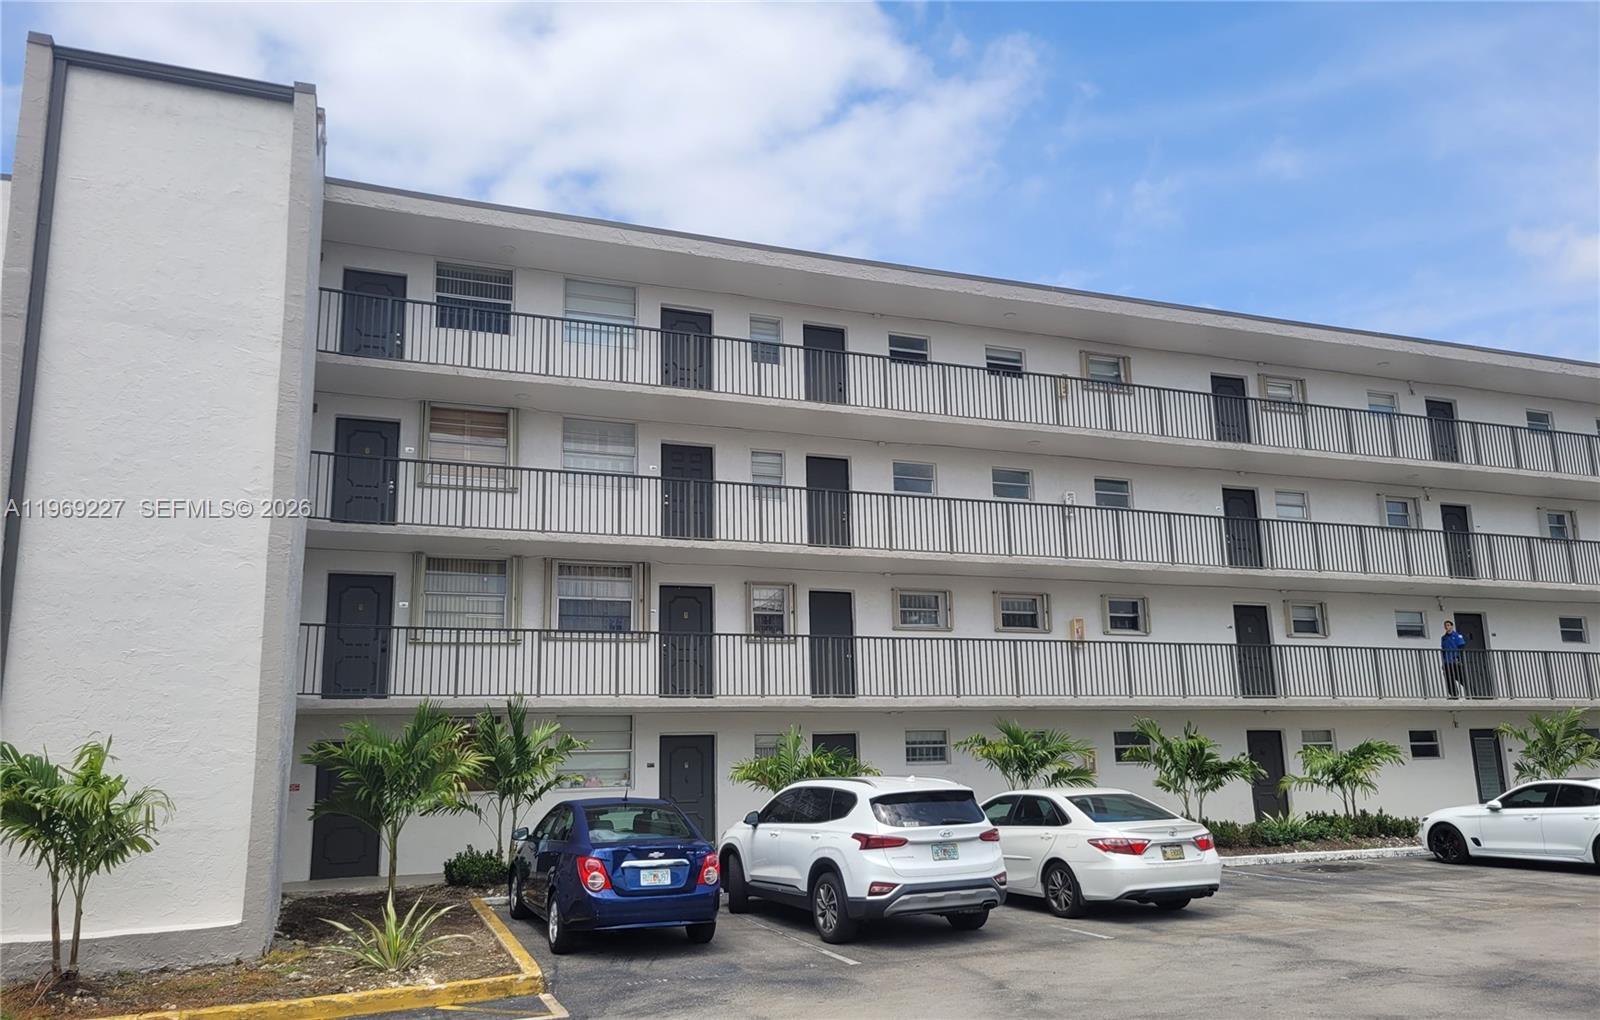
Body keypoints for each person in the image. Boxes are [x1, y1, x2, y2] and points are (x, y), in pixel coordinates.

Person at [1440, 619, 1467, 699]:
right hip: (1447, 661)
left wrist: (1460, 659)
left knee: (1462, 678)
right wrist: (1443, 662)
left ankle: (1472, 693)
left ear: (1452, 626)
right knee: (1449, 679)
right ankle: (1454, 695)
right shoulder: (1444, 638)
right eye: (1445, 625)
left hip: (1455, 660)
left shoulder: (1457, 636)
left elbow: (1462, 647)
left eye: (1448, 625)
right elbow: (1443, 650)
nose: (1446, 627)